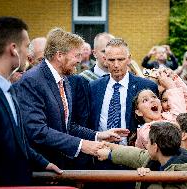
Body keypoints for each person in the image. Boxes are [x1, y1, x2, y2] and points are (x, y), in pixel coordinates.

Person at [14, 28, 129, 169]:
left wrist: (98, 135)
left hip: (58, 167)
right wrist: (82, 145)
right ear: (60, 55)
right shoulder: (32, 80)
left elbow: (67, 126)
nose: (79, 60)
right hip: (39, 168)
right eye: (76, 55)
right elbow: (37, 130)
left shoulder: (65, 80)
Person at [0, 16, 62, 186]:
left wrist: (42, 162)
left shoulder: (9, 91)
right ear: (13, 49)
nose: (28, 53)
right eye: (26, 46)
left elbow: (18, 141)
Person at [88, 38, 159, 144]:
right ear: (105, 59)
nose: (116, 65)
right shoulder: (94, 87)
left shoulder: (146, 86)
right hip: (100, 151)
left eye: (120, 59)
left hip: (134, 154)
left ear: (129, 59)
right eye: (111, 60)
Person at [97, 122, 187, 189]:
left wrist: (148, 178)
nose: (146, 146)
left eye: (148, 142)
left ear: (155, 147)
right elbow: (138, 155)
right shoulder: (171, 156)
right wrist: (110, 151)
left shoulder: (175, 183)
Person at [134, 70, 187, 149]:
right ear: (138, 112)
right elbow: (177, 124)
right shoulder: (145, 131)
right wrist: (171, 87)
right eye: (145, 100)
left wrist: (174, 78)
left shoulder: (167, 116)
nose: (152, 100)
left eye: (154, 97)